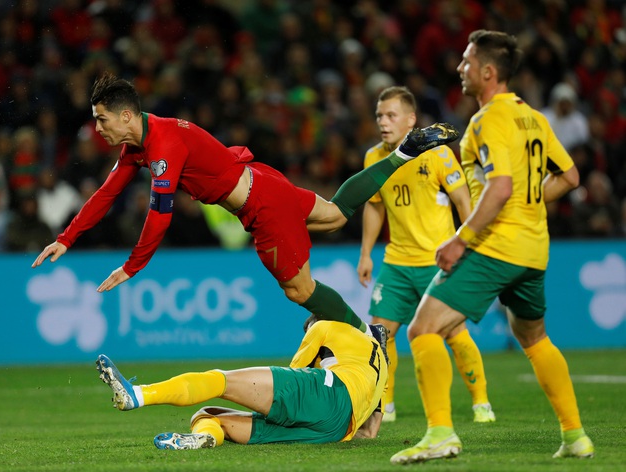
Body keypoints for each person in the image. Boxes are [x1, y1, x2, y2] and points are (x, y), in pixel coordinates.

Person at [31, 72, 458, 340]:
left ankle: (369, 338)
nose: (97, 128)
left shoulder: (162, 145)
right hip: (262, 181)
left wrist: (132, 266)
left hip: (260, 206)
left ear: (126, 116)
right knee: (335, 214)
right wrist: (66, 239)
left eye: (102, 119)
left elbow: (160, 213)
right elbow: (106, 194)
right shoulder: (142, 143)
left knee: (300, 291)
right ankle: (404, 152)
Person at [389, 30, 593, 464]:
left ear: (487, 71)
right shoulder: (535, 118)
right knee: (533, 337)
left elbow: (499, 187)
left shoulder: (488, 120)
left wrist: (460, 239)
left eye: (466, 61)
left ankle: (440, 433)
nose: (459, 68)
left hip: (497, 246)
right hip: (535, 249)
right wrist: (528, 203)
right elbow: (571, 177)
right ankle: (576, 436)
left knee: (422, 329)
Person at [357, 85, 495, 424]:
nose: (383, 122)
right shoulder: (374, 157)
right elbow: (374, 207)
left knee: (453, 331)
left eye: (391, 115)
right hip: (397, 263)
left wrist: (469, 245)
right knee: (379, 333)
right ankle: (384, 404)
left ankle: (481, 402)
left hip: (438, 262)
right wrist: (366, 254)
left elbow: (464, 203)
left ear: (411, 119)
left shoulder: (438, 154)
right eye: (379, 116)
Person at [96, 319, 387, 448]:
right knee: (208, 415)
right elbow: (371, 430)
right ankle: (206, 438)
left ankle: (138, 394)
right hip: (335, 431)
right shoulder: (381, 366)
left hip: (325, 395)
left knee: (220, 380)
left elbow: (292, 373)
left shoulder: (326, 326)